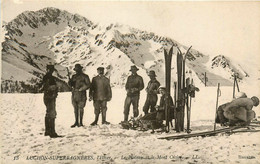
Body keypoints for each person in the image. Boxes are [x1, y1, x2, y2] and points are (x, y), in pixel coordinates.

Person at [41, 65, 61, 138]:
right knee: (52, 114)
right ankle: (52, 132)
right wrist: (55, 89)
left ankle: (47, 131)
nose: (51, 71)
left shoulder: (46, 77)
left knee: (48, 113)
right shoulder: (49, 78)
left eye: (52, 70)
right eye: (50, 69)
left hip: (47, 97)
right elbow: (47, 87)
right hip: (50, 97)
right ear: (47, 70)